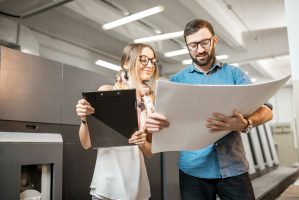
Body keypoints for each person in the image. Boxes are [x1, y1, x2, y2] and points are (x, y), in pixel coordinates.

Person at [145, 19, 273, 200]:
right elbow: (165, 123)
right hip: (193, 172)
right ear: (187, 46)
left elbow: (266, 109)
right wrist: (155, 123)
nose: (200, 50)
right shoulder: (176, 81)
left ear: (214, 40)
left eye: (204, 42)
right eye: (193, 45)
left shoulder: (234, 74)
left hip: (233, 169)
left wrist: (246, 123)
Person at [75, 43, 160, 200]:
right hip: (107, 184)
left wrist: (141, 141)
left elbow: (149, 152)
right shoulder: (107, 92)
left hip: (136, 185)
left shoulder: (150, 101)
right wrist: (84, 119)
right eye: (144, 60)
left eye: (153, 61)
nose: (150, 65)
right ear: (126, 63)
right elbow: (86, 143)